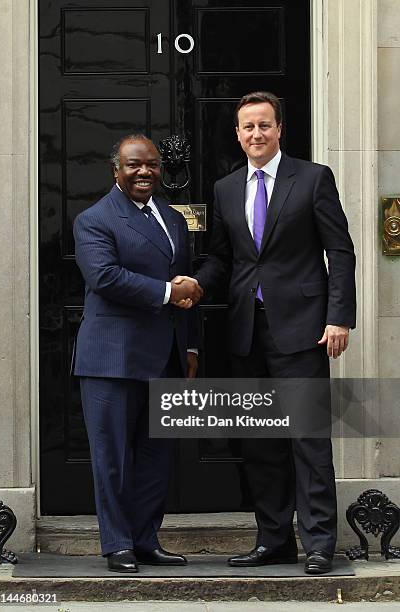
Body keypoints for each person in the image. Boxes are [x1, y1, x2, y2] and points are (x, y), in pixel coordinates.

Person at [177, 91, 356, 574]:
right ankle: (274, 540)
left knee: (308, 440)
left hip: (301, 332)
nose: (256, 134)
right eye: (247, 127)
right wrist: (195, 283)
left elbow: (339, 252)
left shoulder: (313, 178)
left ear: (279, 130)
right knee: (260, 443)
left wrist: (338, 317)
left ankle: (320, 544)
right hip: (246, 333)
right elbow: (222, 256)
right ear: (237, 135)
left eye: (264, 125)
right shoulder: (226, 188)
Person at [72, 134, 202, 573]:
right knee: (112, 458)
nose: (144, 172)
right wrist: (168, 292)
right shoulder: (95, 219)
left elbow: (184, 281)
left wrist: (190, 345)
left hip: (165, 356)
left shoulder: (172, 219)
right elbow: (105, 277)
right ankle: (118, 544)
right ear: (116, 170)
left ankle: (146, 538)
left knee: (156, 457)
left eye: (151, 164)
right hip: (112, 359)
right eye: (133, 165)